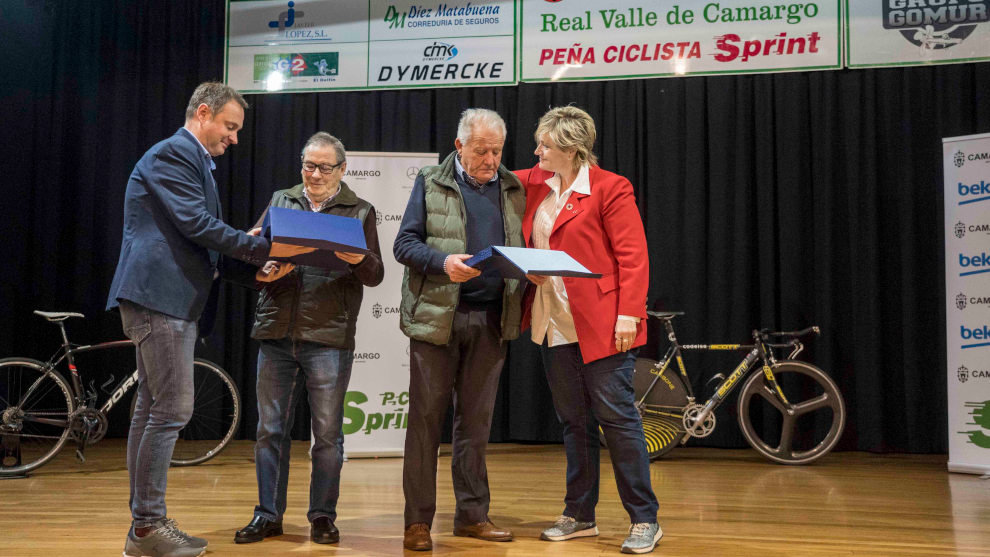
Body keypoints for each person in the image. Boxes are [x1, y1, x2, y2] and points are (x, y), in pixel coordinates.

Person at [106, 82, 271, 557]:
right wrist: (258, 246)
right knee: (173, 410)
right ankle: (147, 528)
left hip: (165, 299)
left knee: (151, 410)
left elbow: (199, 242)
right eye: (230, 126)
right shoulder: (172, 155)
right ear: (203, 113)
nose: (235, 138)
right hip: (160, 299)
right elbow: (198, 226)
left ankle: (144, 527)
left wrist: (252, 261)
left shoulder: (191, 160)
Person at [514, 106, 661, 554]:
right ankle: (579, 514)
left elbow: (633, 257)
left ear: (573, 150)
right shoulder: (534, 182)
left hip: (604, 324)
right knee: (573, 422)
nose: (537, 151)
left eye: (546, 145)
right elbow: (488, 172)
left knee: (618, 421)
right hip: (554, 322)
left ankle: (644, 519)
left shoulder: (610, 188)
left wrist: (628, 315)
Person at [234, 132, 384, 545]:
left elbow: (376, 275)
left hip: (328, 335)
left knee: (327, 436)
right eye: (308, 165)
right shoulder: (281, 199)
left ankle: (322, 516)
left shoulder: (360, 210)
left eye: (324, 167)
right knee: (270, 430)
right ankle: (268, 515)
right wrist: (261, 269)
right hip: (277, 330)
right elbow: (254, 260)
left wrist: (358, 259)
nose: (314, 174)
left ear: (342, 169)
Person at [393, 108, 526, 551]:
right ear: (459, 147)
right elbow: (404, 244)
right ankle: (417, 523)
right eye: (481, 150)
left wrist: (531, 270)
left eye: (497, 150)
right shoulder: (431, 182)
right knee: (427, 422)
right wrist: (442, 262)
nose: (490, 159)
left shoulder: (512, 187)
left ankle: (472, 516)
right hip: (437, 321)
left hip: (491, 321)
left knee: (476, 424)